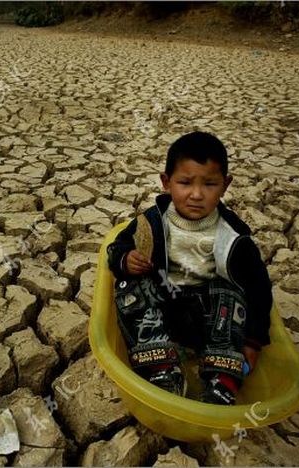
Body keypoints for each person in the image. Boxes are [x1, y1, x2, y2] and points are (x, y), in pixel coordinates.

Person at [106, 131, 272, 405]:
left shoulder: (233, 237)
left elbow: (258, 288)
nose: (196, 194)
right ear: (166, 182)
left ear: (225, 185)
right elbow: (117, 248)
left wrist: (254, 340)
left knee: (228, 293)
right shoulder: (151, 222)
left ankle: (223, 380)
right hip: (162, 315)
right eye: (185, 183)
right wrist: (127, 259)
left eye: (209, 184)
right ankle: (161, 369)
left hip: (211, 321)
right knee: (128, 286)